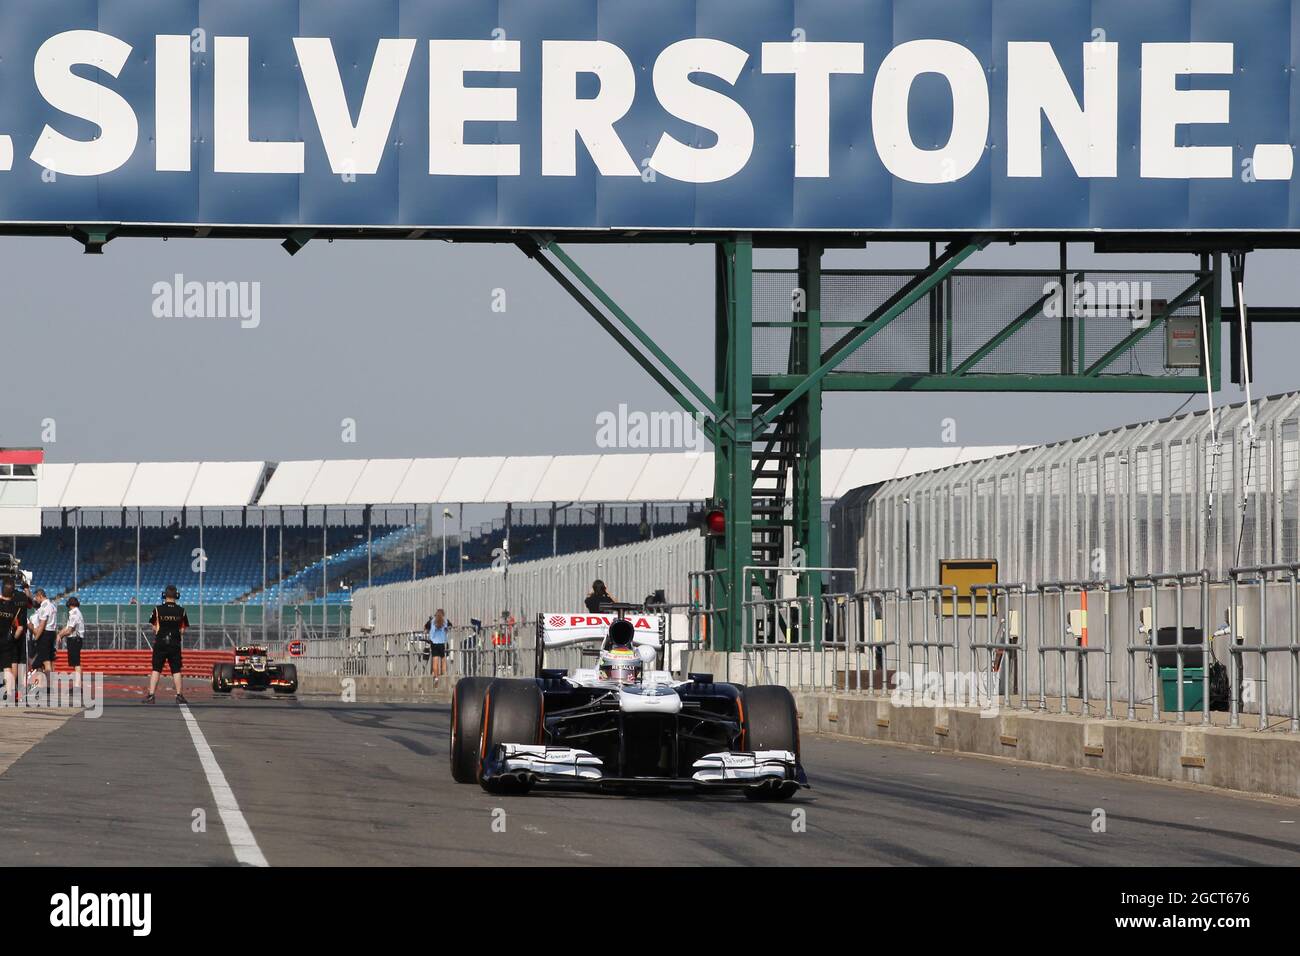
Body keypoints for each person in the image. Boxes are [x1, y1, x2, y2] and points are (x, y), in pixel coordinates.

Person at [145, 584, 189, 705]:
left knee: (156, 669)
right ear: (176, 596)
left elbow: (154, 627)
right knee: (176, 670)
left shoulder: (157, 609)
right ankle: (179, 695)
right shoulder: (181, 611)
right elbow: (183, 630)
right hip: (175, 643)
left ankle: (151, 695)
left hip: (160, 643)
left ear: (164, 595)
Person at [26, 588, 57, 700]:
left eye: (36, 597)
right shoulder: (53, 605)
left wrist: (36, 638)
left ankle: (40, 686)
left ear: (40, 596)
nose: (36, 600)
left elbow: (42, 625)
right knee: (47, 661)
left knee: (39, 663)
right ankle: (48, 686)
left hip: (45, 634)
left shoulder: (44, 607)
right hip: (52, 633)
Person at [0, 579, 27, 703]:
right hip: (6, 639)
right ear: (12, 594)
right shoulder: (15, 608)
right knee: (7, 668)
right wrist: (13, 638)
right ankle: (10, 693)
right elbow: (20, 627)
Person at [57, 596, 86, 696]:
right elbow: (67, 627)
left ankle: (78, 687)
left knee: (76, 663)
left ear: (70, 605)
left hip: (75, 639)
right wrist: (59, 634)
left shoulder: (74, 613)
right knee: (75, 663)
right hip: (75, 639)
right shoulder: (75, 613)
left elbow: (69, 630)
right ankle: (77, 685)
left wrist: (60, 635)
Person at [428, 608, 450, 681]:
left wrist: (431, 639)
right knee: (443, 659)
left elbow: (431, 632)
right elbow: (446, 630)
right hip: (441, 643)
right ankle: (444, 676)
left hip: (434, 643)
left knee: (435, 660)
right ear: (443, 614)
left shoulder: (433, 621)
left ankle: (436, 678)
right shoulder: (445, 621)